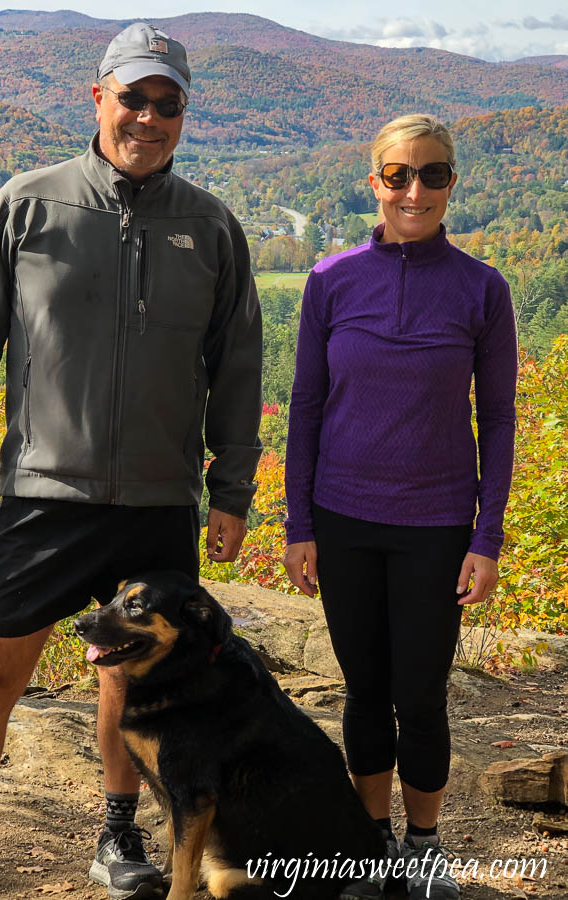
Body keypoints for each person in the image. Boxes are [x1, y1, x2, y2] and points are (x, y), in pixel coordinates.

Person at [0, 22, 262, 900]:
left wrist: (232, 488)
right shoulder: (29, 203)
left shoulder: (210, 226)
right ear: (98, 97)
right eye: (132, 97)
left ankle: (116, 837)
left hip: (157, 498)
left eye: (166, 103)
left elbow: (238, 368)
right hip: (43, 493)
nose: (148, 117)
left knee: (129, 678)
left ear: (183, 114)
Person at [283, 114, 517, 900]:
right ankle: (367, 845)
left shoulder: (482, 288)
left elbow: (500, 419)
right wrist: (298, 526)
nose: (414, 190)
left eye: (433, 174)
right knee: (362, 689)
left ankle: (423, 847)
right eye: (398, 175)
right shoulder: (329, 279)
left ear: (453, 181)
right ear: (373, 181)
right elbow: (305, 406)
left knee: (418, 694)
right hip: (343, 520)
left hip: (437, 525)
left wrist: (486, 537)